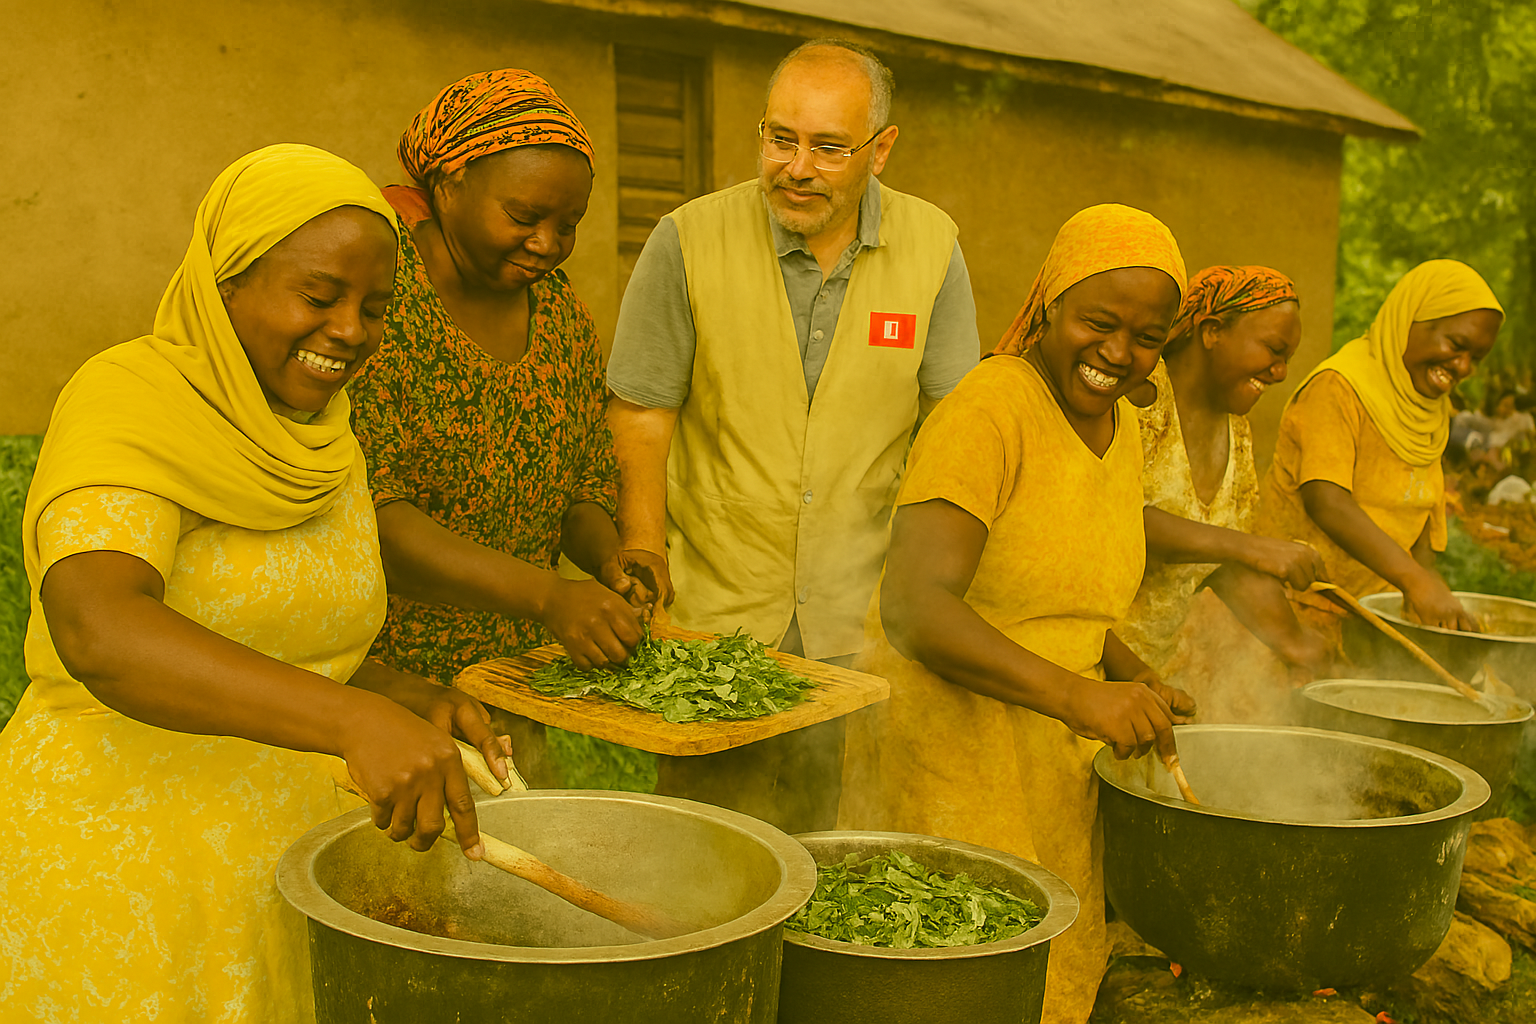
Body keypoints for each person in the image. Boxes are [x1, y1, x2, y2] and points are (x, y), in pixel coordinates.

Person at [0, 145, 510, 1022]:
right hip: (131, 879)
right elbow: (101, 630)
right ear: (225, 283)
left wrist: (396, 695)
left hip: (288, 871)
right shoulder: (132, 399)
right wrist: (349, 720)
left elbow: (273, 632)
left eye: (375, 308)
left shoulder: (325, 434)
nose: (350, 330)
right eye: (319, 296)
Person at [605, 38, 980, 831]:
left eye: (828, 147)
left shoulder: (933, 249)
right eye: (781, 139)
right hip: (717, 612)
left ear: (881, 149)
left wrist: (930, 594)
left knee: (835, 836)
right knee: (706, 842)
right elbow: (642, 414)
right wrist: (642, 547)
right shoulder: (687, 240)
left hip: (860, 620)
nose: (797, 168)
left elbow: (952, 428)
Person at [840, 204, 1198, 1024]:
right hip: (953, 752)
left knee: (1045, 982)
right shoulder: (991, 408)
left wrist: (1131, 674)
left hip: (1053, 761)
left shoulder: (1124, 427)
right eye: (1099, 323)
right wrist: (1081, 697)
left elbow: (1060, 598)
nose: (1118, 353)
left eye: (1146, 337)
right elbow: (914, 608)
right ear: (1050, 304)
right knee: (951, 987)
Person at [349, 70, 654, 700]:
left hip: (520, 672)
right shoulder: (381, 301)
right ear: (450, 185)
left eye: (569, 224)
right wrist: (547, 596)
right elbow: (371, 514)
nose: (546, 244)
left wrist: (608, 559)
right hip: (389, 679)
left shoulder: (560, 312)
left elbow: (582, 482)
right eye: (523, 215)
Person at [1256, 259, 1504, 638]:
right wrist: (1414, 580)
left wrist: (1434, 594)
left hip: (1368, 619)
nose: (1463, 366)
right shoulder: (1339, 386)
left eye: (1476, 359)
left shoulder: (1428, 411)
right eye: (1456, 345)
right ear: (1410, 319)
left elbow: (1419, 515)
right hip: (1287, 613)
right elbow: (1326, 500)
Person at [1121, 267, 1330, 707]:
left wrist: (1295, 644)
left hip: (1153, 679)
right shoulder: (1137, 401)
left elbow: (1222, 564)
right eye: (1274, 350)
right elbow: (1116, 520)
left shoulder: (1238, 433)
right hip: (1085, 668)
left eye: (1288, 359)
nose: (1280, 372)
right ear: (1212, 331)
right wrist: (1252, 547)